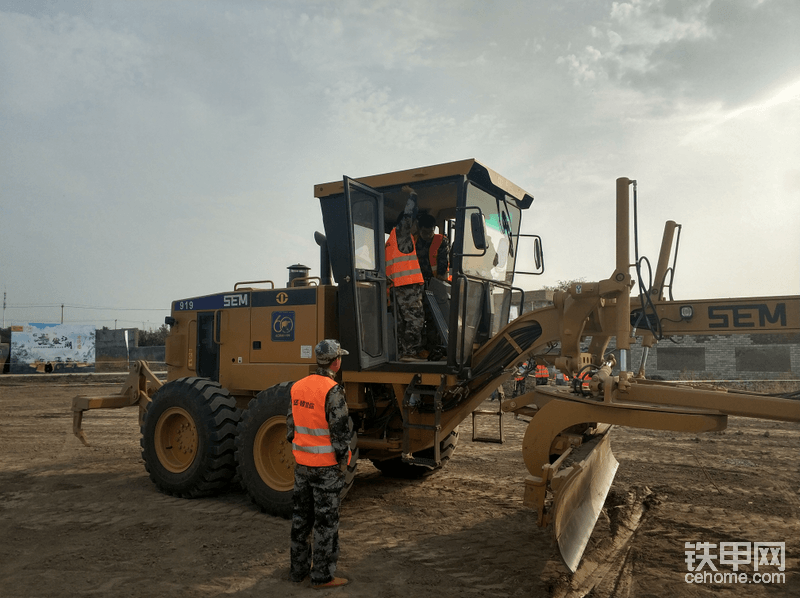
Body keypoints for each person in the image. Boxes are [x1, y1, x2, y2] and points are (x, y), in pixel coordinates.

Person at [287, 339, 353, 589]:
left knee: (300, 520)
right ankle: (322, 576)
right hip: (326, 469)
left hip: (302, 467)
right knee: (326, 523)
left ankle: (298, 571)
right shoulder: (332, 390)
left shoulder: (297, 387)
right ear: (336, 362)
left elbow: (290, 429)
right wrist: (341, 462)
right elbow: (340, 433)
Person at [385, 185, 426, 362]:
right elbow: (408, 215)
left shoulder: (391, 240)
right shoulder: (402, 234)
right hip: (407, 286)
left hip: (396, 287)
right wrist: (413, 195)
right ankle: (410, 353)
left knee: (402, 322)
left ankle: (406, 352)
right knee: (416, 320)